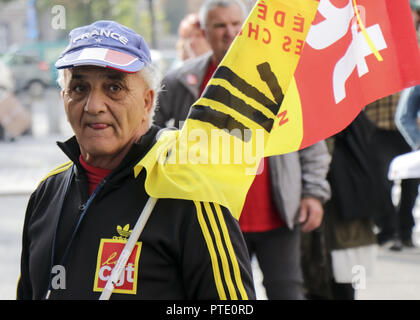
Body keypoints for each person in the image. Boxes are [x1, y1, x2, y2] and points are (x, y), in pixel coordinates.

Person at [16, 20, 256, 300]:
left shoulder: (190, 192)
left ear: (146, 101)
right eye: (79, 88)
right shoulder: (47, 192)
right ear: (63, 98)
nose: (94, 106)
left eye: (114, 88)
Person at [239, 142, 331, 300]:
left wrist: (313, 193)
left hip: (280, 217)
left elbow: (312, 144)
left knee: (286, 292)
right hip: (220, 222)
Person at [154, 0, 246, 128]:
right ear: (205, 33)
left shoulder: (271, 77)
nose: (230, 33)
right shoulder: (180, 79)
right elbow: (148, 124)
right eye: (220, 25)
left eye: (236, 24)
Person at [364, 93, 419, 249]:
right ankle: (387, 231)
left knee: (411, 185)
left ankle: (405, 231)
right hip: (379, 128)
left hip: (411, 129)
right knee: (381, 181)